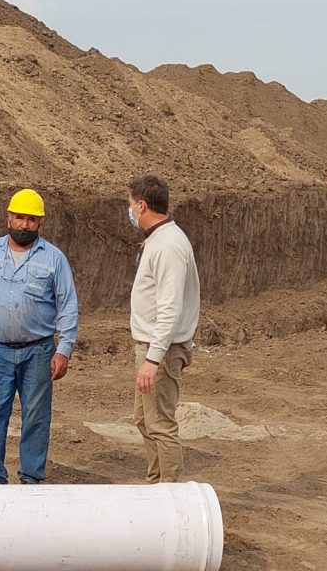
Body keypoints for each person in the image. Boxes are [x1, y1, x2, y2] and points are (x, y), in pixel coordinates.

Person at [0, 188, 79, 485]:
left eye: (31, 220)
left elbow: (68, 306)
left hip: (39, 352)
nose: (24, 225)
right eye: (19, 217)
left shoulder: (54, 259)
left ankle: (31, 479)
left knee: (36, 417)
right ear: (8, 217)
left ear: (40, 223)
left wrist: (64, 350)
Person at [127, 174, 200, 483]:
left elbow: (170, 309)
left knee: (160, 425)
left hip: (162, 351)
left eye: (130, 204)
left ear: (142, 206)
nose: (129, 210)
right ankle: (156, 486)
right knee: (144, 420)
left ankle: (170, 496)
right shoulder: (159, 239)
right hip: (153, 347)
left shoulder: (168, 246)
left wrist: (153, 359)